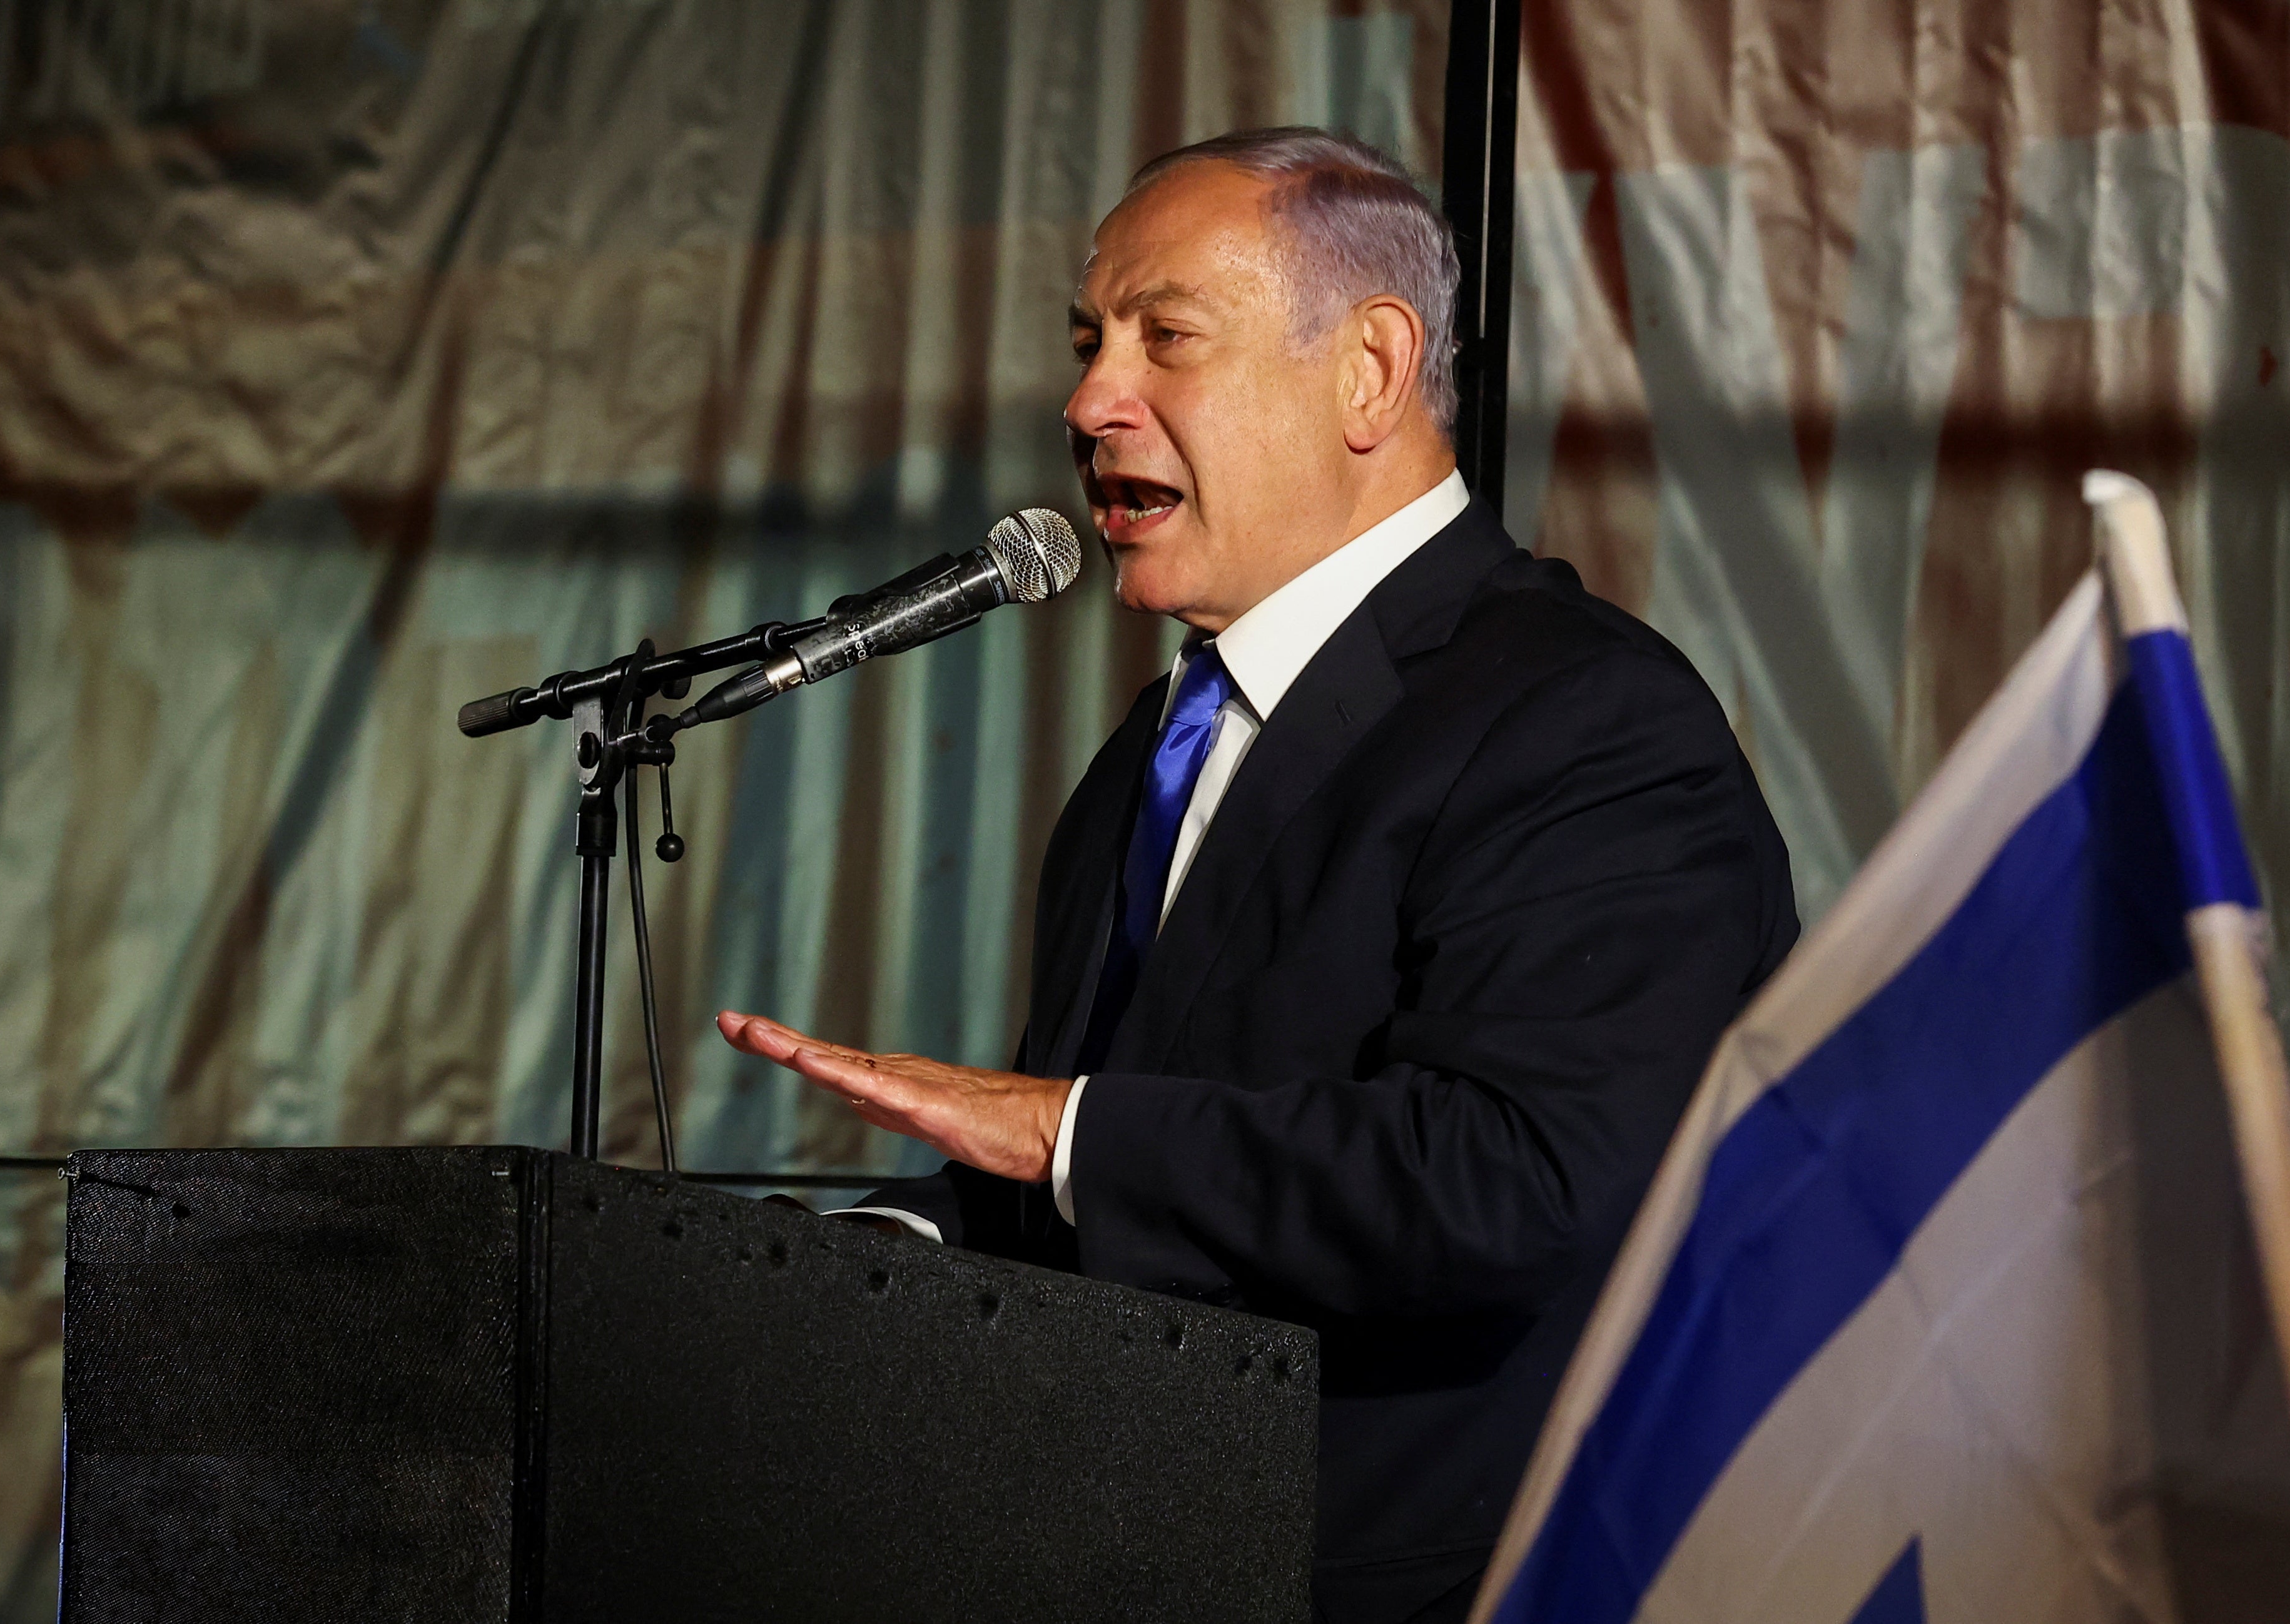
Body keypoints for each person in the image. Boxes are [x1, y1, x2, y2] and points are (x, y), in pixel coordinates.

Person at [717, 127, 1799, 1624]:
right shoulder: (1155, 749)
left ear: (1369, 370)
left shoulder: (1583, 718)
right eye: (1090, 342)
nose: (1093, 400)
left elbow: (1522, 1175)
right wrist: (860, 1263)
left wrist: (1060, 1131)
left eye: (1166, 336)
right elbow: (1126, 1186)